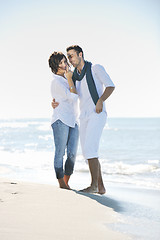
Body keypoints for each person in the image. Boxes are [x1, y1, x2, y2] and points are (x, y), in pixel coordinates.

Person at [52, 46, 115, 194]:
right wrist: (54, 102)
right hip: (83, 115)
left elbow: (110, 86)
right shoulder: (75, 76)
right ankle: (100, 186)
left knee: (90, 149)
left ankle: (93, 185)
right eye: (68, 57)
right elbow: (69, 94)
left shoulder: (95, 68)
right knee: (88, 152)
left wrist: (100, 100)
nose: (70, 60)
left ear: (80, 54)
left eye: (72, 56)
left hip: (97, 113)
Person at [48, 51, 79, 189]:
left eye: (64, 61)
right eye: (60, 63)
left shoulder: (69, 77)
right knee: (60, 152)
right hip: (60, 120)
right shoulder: (56, 82)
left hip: (74, 120)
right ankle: (61, 183)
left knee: (72, 154)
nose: (64, 65)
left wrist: (70, 78)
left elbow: (79, 94)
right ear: (55, 67)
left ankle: (66, 182)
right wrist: (70, 79)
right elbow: (73, 97)